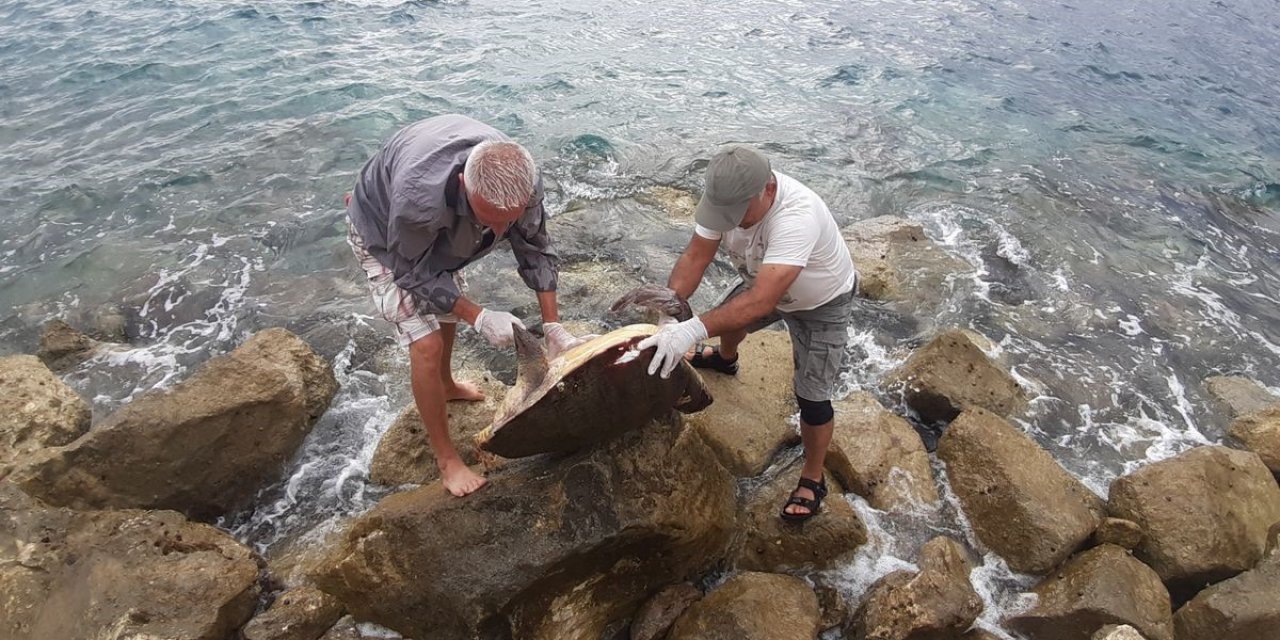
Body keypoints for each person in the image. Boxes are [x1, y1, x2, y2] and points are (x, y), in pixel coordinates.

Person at [345, 114, 585, 497]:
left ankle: (446, 384)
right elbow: (411, 272)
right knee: (426, 343)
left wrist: (554, 327)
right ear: (462, 185)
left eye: (510, 220)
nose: (504, 232)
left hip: (440, 221)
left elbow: (536, 248)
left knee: (447, 305)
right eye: (491, 220)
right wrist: (479, 316)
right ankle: (446, 460)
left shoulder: (525, 182)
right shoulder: (418, 202)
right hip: (385, 234)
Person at [638, 145, 857, 522]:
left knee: (813, 398)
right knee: (730, 322)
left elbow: (761, 301)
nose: (731, 222)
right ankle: (726, 359)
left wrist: (691, 329)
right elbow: (694, 258)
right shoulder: (723, 199)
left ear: (768, 190)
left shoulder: (796, 215)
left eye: (739, 214)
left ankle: (813, 476)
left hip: (821, 302)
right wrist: (669, 314)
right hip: (763, 282)